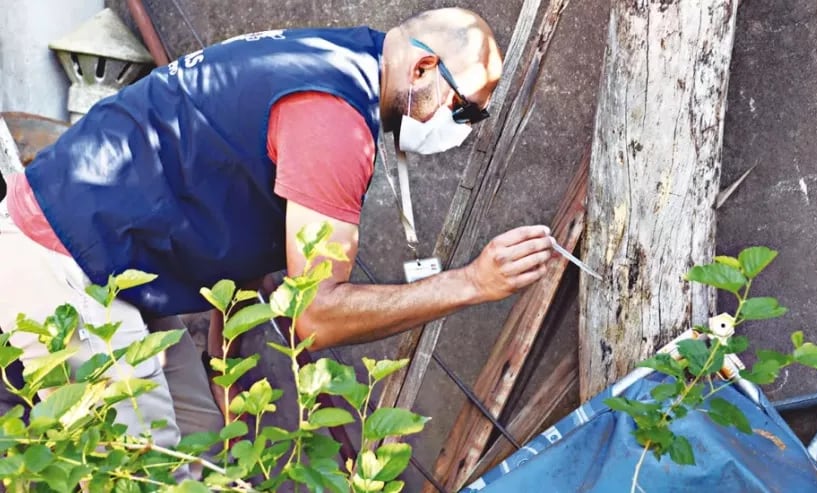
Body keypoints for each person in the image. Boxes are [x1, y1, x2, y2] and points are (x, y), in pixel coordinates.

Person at [0, 7, 555, 449]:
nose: (462, 129)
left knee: (200, 443)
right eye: (465, 110)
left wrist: (227, 369)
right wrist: (472, 284)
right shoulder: (335, 120)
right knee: (148, 464)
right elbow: (315, 317)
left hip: (110, 262)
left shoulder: (335, 58)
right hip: (66, 258)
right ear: (424, 69)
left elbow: (230, 193)